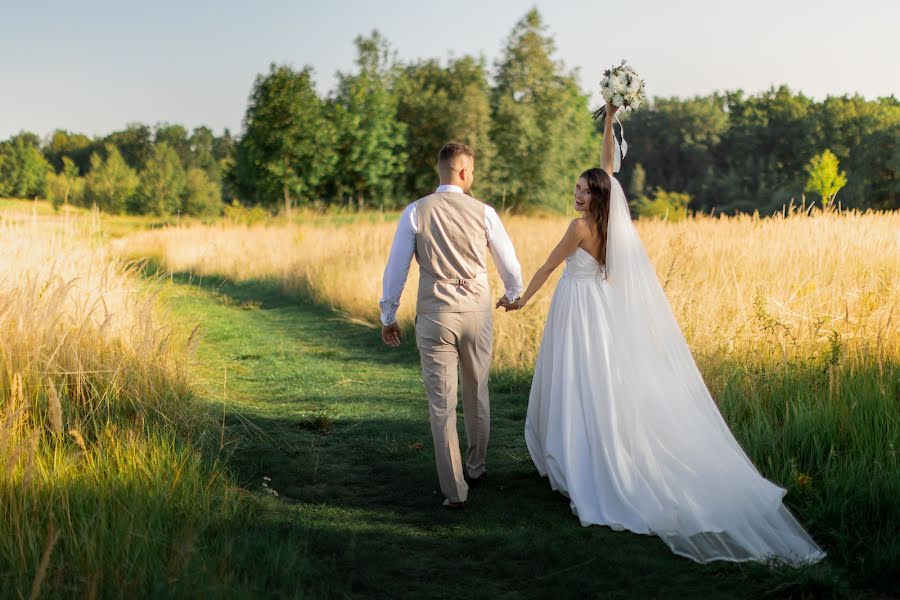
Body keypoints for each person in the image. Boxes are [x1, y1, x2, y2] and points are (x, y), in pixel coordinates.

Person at [498, 102, 826, 565]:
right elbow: (608, 168)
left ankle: (580, 462)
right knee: (595, 383)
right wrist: (609, 118)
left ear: (595, 197)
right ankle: (587, 453)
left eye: (582, 189)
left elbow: (548, 267)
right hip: (599, 311)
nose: (576, 193)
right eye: (575, 187)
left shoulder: (578, 228)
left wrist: (520, 300)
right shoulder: (612, 223)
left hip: (575, 310)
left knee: (574, 381)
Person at [380, 142, 524, 510]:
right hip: (477, 313)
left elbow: (397, 268)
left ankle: (455, 491)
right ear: (462, 172)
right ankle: (476, 468)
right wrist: (513, 293)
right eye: (471, 171)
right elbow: (508, 261)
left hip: (434, 316)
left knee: (442, 405)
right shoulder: (485, 212)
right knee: (477, 392)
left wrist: (388, 315)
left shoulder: (415, 211)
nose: (472, 177)